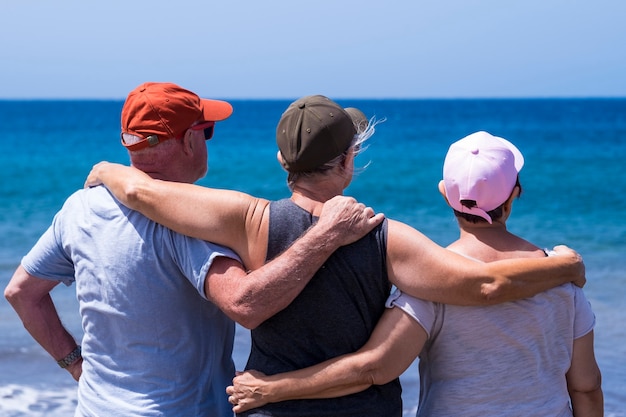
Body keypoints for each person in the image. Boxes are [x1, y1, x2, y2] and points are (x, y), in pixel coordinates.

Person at [84, 96, 586, 417]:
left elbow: (146, 195)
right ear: (348, 160)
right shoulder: (385, 236)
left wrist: (109, 169)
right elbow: (485, 285)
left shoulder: (246, 219)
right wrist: (564, 265)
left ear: (283, 161)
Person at [4, 83, 384, 417]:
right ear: (188, 140)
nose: (207, 140)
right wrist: (326, 235)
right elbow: (245, 305)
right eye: (208, 131)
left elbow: (21, 292)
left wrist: (75, 365)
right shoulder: (188, 223)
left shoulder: (79, 207)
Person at [226, 131, 604, 417]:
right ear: (515, 194)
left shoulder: (431, 283)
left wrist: (274, 389)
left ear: (444, 193)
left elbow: (374, 367)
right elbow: (586, 387)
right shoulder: (560, 275)